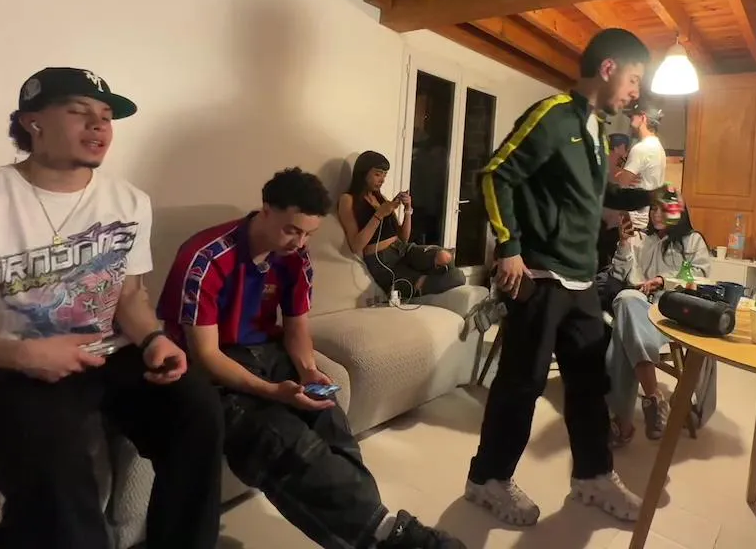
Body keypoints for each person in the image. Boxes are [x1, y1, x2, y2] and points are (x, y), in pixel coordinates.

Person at [0, 67, 223, 549]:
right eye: (79, 112)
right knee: (57, 470)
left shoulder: (130, 201)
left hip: (106, 353)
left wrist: (153, 339)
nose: (99, 125)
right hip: (3, 369)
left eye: (106, 116)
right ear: (32, 122)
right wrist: (24, 355)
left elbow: (128, 295)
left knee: (199, 411)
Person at [158, 168, 465, 549]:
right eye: (292, 230)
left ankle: (377, 532)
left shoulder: (296, 257)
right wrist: (273, 391)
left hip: (268, 351)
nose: (300, 242)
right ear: (266, 210)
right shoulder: (207, 256)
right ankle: (392, 536)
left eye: (309, 234)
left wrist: (308, 370)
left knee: (330, 418)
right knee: (281, 439)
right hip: (215, 366)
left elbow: (296, 329)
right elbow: (205, 355)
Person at [467, 28, 658, 526]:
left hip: (580, 280)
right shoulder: (552, 115)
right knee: (522, 384)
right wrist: (508, 247)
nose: (635, 93)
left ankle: (593, 476)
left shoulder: (596, 130)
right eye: (634, 80)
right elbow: (495, 174)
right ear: (608, 68)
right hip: (539, 274)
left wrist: (649, 198)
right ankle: (487, 479)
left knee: (589, 384)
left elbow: (596, 197)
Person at [605, 203, 711, 447]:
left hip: (674, 310)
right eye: (654, 209)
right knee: (625, 299)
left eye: (665, 209)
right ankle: (653, 396)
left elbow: (702, 277)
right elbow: (619, 275)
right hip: (641, 306)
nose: (657, 214)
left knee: (622, 335)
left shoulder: (692, 240)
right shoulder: (643, 239)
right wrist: (624, 243)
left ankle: (623, 423)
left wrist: (664, 281)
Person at [339, 150, 465, 300]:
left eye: (384, 175)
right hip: (383, 261)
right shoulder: (348, 200)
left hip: (403, 249)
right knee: (456, 277)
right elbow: (355, 246)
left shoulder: (380, 198)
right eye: (378, 174)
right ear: (363, 173)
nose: (382, 180)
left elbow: (404, 237)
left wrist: (407, 209)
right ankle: (416, 284)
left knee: (446, 258)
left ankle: (422, 279)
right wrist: (379, 214)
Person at [616, 104, 667, 231]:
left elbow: (622, 184)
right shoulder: (658, 147)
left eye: (632, 116)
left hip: (635, 221)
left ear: (643, 118)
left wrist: (619, 174)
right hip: (649, 217)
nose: (630, 121)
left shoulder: (641, 148)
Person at [597, 133, 634, 271]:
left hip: (598, 219)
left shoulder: (600, 160)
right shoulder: (616, 165)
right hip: (610, 222)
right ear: (621, 147)